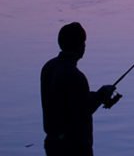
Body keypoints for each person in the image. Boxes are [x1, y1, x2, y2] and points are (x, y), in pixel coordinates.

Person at [40, 22, 117, 156]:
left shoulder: (49, 67)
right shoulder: (75, 76)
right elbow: (83, 109)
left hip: (52, 143)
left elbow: (69, 100)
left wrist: (99, 94)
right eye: (84, 42)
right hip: (74, 147)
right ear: (80, 46)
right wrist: (101, 95)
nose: (85, 46)